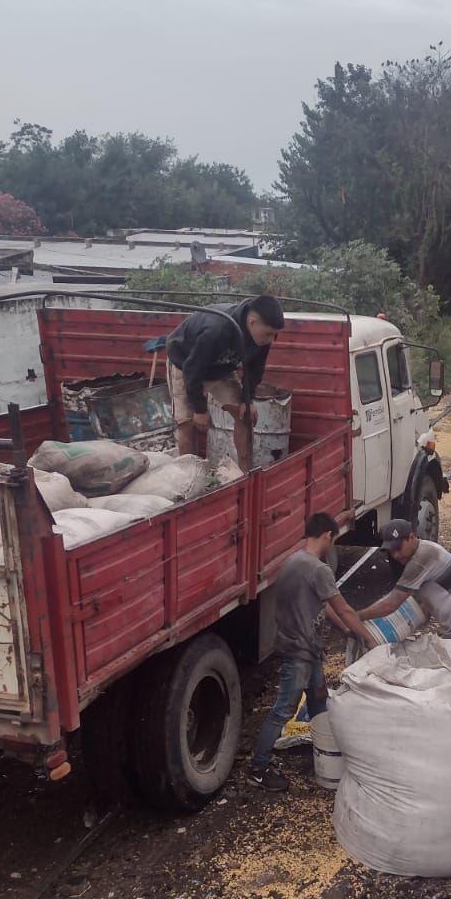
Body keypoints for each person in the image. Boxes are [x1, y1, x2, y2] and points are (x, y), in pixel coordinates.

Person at [247, 512, 375, 793]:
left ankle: (324, 751)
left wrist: (344, 630)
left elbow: (324, 604)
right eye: (334, 539)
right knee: (283, 710)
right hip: (300, 652)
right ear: (328, 535)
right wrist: (369, 639)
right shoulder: (318, 569)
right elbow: (343, 607)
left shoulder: (294, 562)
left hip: (302, 646)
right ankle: (257, 769)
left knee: (319, 701)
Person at [166, 295, 285, 472]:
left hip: (221, 369)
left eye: (274, 334)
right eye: (268, 333)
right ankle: (188, 479)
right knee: (187, 425)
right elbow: (192, 370)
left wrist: (247, 398)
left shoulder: (263, 338)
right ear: (252, 322)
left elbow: (255, 369)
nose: (270, 339)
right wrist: (200, 409)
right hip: (185, 366)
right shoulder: (216, 330)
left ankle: (245, 474)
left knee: (245, 416)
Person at [357, 519, 451, 651]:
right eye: (391, 551)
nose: (396, 555)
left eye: (398, 548)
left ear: (411, 537)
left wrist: (357, 617)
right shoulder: (424, 551)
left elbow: (390, 605)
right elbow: (422, 607)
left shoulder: (421, 559)